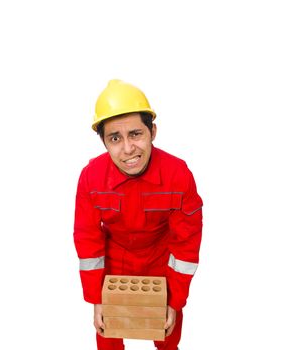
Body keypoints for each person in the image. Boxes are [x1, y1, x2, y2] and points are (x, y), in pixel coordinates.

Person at [73, 79, 203, 350]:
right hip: (114, 262)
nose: (128, 149)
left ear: (152, 131)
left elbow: (186, 244)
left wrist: (174, 301)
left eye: (135, 134)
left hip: (161, 262)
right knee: (108, 337)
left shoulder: (178, 175)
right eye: (115, 138)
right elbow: (88, 242)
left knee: (167, 336)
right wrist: (97, 299)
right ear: (104, 142)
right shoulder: (91, 178)